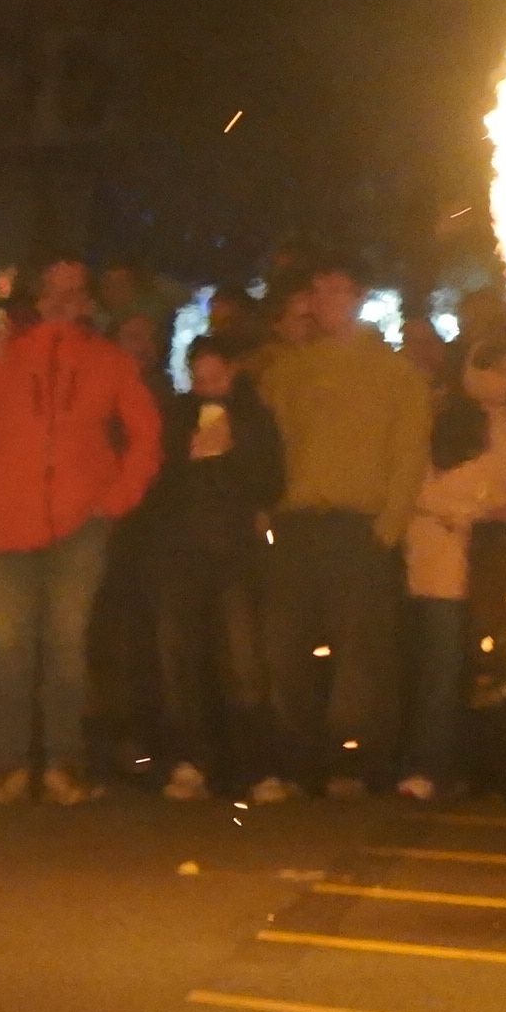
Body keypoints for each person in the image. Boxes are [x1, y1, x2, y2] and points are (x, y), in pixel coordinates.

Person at [0, 256, 160, 803]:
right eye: (52, 290)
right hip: (2, 520)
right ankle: (10, 763)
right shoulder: (1, 351)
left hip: (77, 522)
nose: (62, 300)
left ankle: (64, 762)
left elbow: (146, 433)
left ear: (87, 300)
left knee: (65, 646)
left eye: (73, 291)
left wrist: (115, 498)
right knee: (10, 649)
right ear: (36, 298)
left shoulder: (107, 360)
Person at [254, 257, 429, 797]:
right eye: (319, 291)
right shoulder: (288, 370)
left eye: (339, 291)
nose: (327, 301)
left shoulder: (396, 372)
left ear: (358, 297)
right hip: (298, 525)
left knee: (360, 655)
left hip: (359, 526)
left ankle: (351, 764)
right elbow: (266, 441)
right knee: (285, 648)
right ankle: (297, 762)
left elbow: (409, 452)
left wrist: (388, 527)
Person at [398, 342, 506, 800]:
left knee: (496, 666)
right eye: (492, 369)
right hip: (443, 560)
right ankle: (427, 765)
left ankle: (487, 768)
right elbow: (418, 488)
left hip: (501, 565)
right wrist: (474, 509)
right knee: (440, 668)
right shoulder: (442, 421)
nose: (503, 380)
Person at [151, 336, 287, 803]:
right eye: (200, 378)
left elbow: (272, 481)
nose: (208, 388)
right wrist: (183, 457)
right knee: (180, 658)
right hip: (181, 553)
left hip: (236, 554)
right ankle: (190, 761)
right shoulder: (176, 415)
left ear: (232, 373)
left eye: (216, 377)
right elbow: (155, 485)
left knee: (243, 659)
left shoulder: (254, 416)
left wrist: (235, 449)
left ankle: (255, 766)